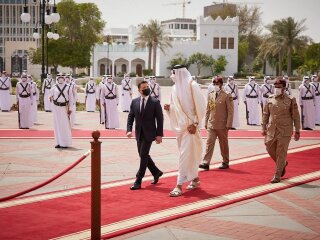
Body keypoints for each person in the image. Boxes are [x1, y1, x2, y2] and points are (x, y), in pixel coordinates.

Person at [164, 65, 206, 197]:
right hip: (180, 128)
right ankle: (195, 178)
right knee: (188, 155)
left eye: (174, 72)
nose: (172, 74)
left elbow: (202, 106)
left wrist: (195, 123)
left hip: (190, 128)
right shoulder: (174, 88)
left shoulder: (192, 85)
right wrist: (169, 108)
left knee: (184, 155)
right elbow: (176, 107)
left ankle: (179, 185)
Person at [262, 77, 300, 183]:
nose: (276, 88)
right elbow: (266, 114)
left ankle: (277, 175)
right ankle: (282, 163)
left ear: (284, 88)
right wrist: (263, 127)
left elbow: (296, 116)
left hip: (285, 130)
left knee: (281, 152)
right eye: (275, 87)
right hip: (272, 129)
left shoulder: (291, 99)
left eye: (279, 87)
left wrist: (297, 130)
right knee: (269, 147)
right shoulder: (270, 98)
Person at [127, 80, 164, 190]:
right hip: (139, 133)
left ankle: (138, 180)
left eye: (147, 86)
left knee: (143, 155)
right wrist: (129, 130)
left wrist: (159, 134)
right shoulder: (134, 102)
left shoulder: (155, 102)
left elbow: (160, 119)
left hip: (150, 133)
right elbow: (130, 117)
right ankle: (156, 172)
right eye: (144, 87)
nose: (146, 89)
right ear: (139, 90)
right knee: (143, 155)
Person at [199, 76, 234, 171]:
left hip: (222, 124)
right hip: (212, 123)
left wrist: (229, 124)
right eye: (214, 84)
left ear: (221, 85)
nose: (215, 86)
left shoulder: (227, 95)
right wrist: (206, 122)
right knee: (209, 143)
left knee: (223, 144)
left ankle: (225, 161)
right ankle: (206, 162)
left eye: (217, 84)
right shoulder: (211, 94)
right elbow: (208, 109)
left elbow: (230, 111)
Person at [49, 74, 73, 148]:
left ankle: (65, 143)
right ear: (57, 78)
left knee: (65, 125)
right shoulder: (54, 87)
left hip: (64, 108)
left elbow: (71, 99)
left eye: (62, 78)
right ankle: (58, 142)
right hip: (56, 108)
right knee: (57, 125)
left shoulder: (68, 87)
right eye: (59, 78)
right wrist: (50, 98)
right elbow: (50, 96)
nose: (61, 79)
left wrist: (70, 109)